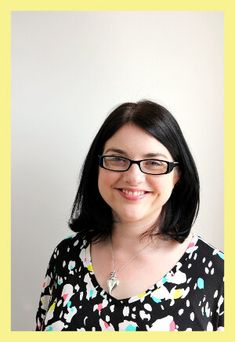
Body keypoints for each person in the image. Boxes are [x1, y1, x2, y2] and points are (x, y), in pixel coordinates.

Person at [35, 100, 224, 331]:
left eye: (154, 162)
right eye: (117, 159)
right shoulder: (66, 256)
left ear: (177, 175)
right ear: (98, 167)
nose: (134, 177)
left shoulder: (218, 272)